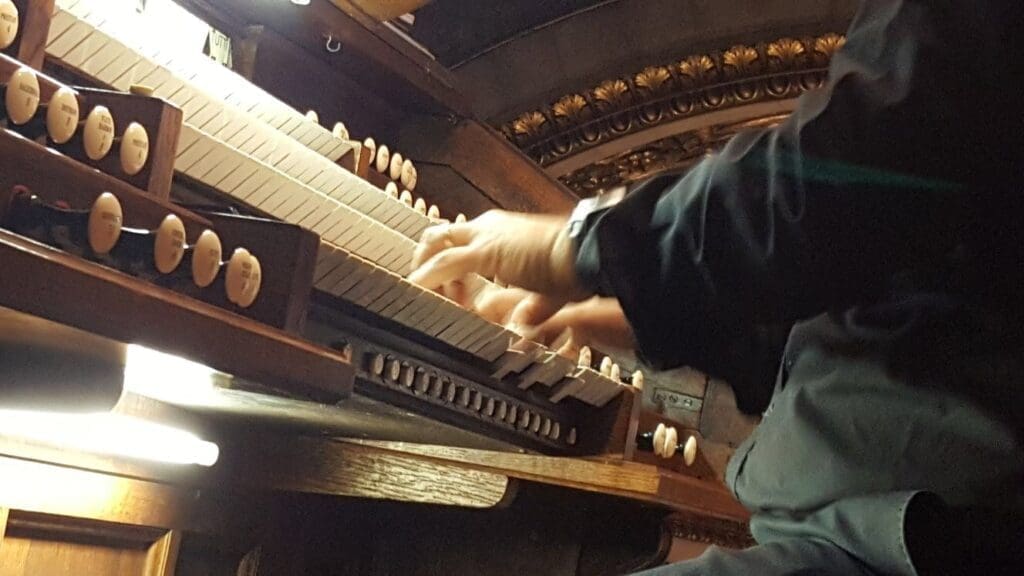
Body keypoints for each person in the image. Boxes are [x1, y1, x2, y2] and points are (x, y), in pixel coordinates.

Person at [410, 0, 1024, 574]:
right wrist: (613, 315)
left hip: (915, 538)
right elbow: (844, 312)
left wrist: (579, 245)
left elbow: (860, 164)